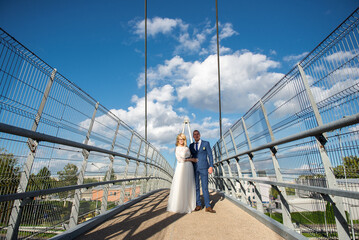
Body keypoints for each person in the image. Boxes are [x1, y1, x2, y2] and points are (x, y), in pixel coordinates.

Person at [167, 133, 198, 213]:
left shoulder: (187, 148)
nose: (181, 141)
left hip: (189, 167)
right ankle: (180, 205)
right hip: (181, 167)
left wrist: (190, 159)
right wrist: (190, 160)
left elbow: (190, 156)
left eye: (183, 139)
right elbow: (180, 160)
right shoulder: (177, 148)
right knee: (181, 185)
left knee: (189, 185)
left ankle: (190, 205)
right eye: (180, 139)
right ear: (178, 140)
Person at [189, 130, 216, 213]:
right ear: (193, 136)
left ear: (200, 135)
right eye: (194, 135)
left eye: (197, 134)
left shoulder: (206, 143)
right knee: (196, 187)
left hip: (204, 168)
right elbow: (189, 156)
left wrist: (211, 166)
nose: (196, 136)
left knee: (205, 187)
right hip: (194, 168)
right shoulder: (191, 146)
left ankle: (208, 206)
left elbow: (210, 155)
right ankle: (198, 205)